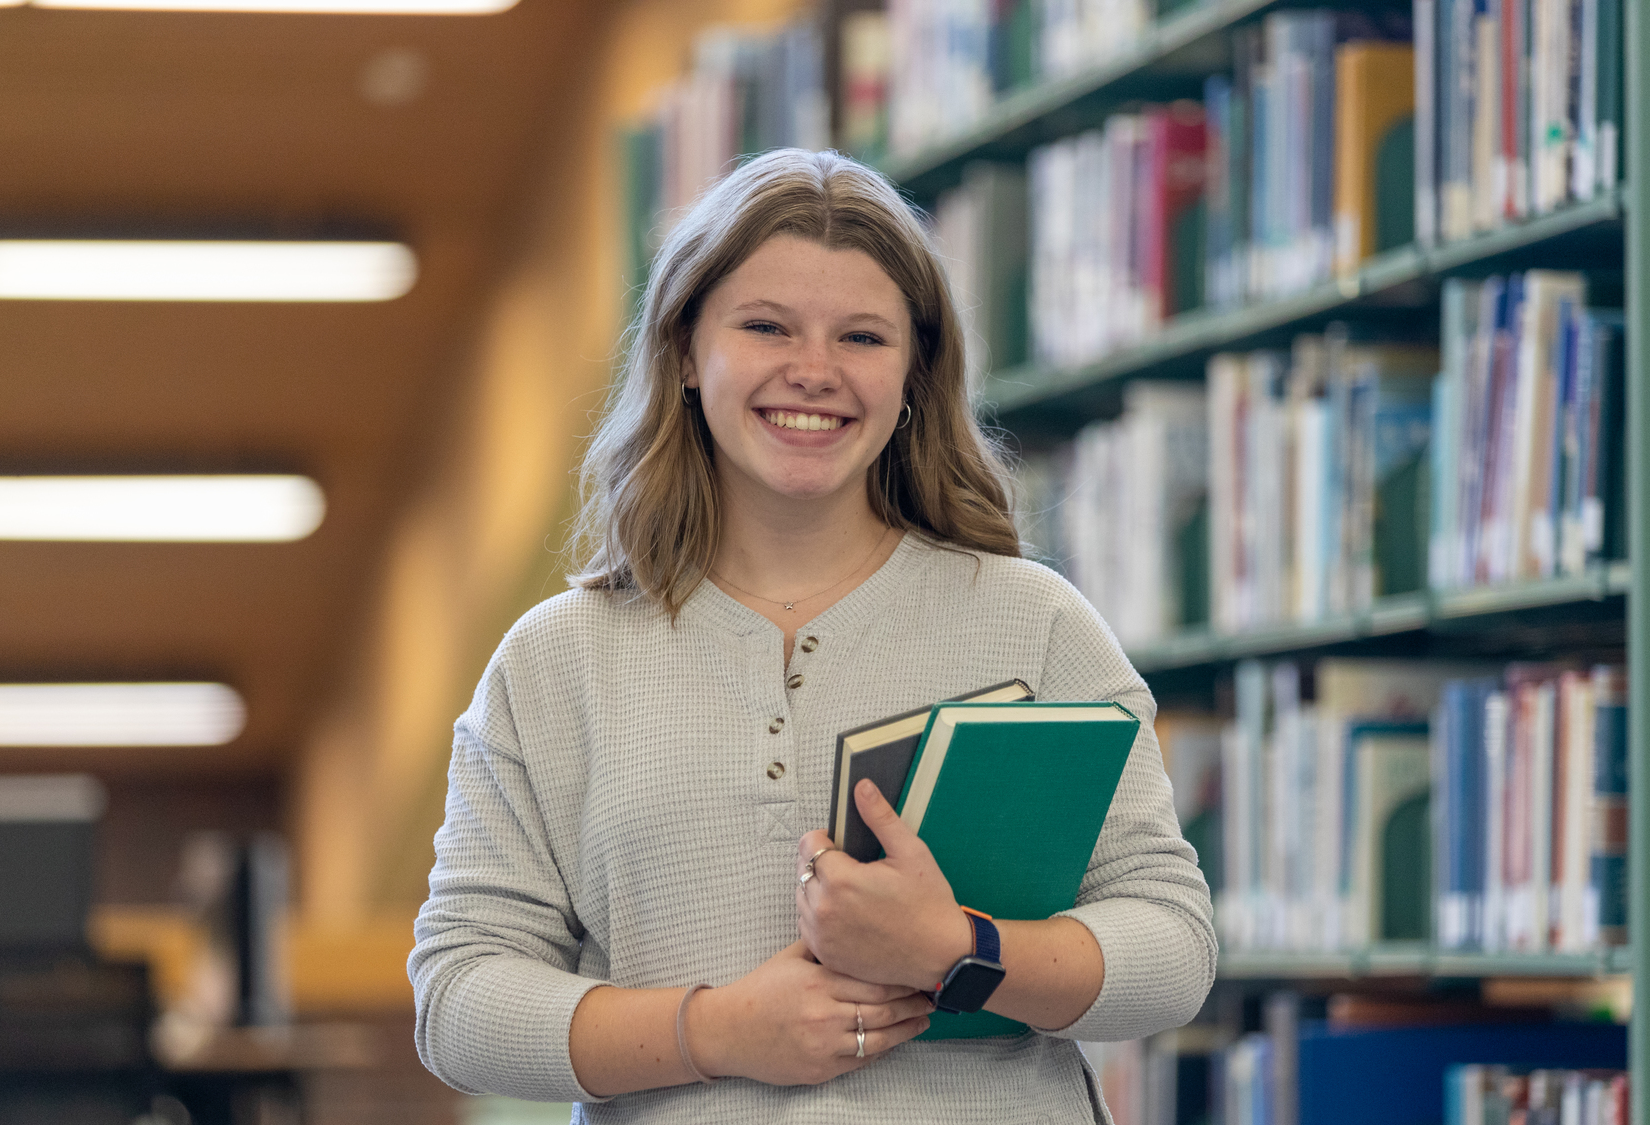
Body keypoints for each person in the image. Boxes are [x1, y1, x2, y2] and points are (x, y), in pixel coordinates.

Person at [408, 148, 1214, 1124]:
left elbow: (1171, 952)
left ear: (913, 372)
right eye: (764, 326)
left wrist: (958, 949)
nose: (814, 371)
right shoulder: (556, 660)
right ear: (683, 355)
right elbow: (458, 1002)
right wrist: (712, 1032)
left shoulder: (1032, 624)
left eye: (862, 337)